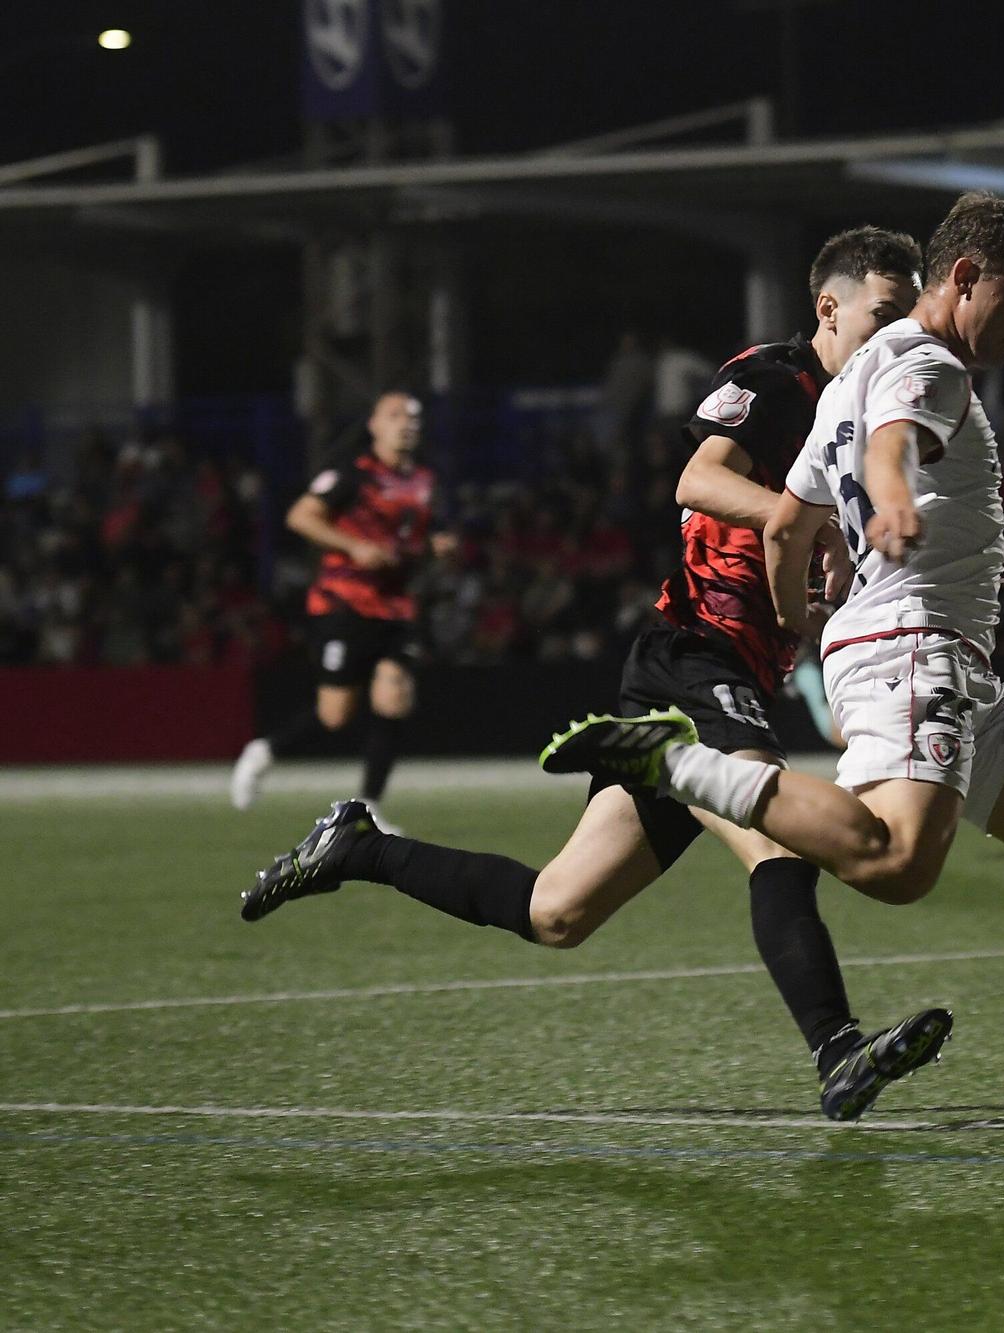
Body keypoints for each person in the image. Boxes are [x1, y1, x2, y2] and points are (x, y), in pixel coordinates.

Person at [541, 192, 1004, 1137]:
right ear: (965, 277)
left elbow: (785, 522)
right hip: (916, 647)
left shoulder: (852, 377)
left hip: (932, 653)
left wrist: (801, 620)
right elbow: (895, 442)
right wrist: (890, 497)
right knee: (894, 863)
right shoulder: (927, 363)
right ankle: (676, 761)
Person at [242, 227, 949, 1123]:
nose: (893, 336)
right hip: (694, 653)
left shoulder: (867, 403)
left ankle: (358, 845)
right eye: (881, 314)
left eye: (904, 320)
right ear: (827, 307)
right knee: (774, 840)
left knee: (557, 910)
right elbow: (697, 480)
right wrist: (804, 524)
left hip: (730, 668)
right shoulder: (776, 381)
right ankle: (839, 1051)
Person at [230, 392, 450, 832]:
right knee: (335, 714)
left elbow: (420, 538)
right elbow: (301, 517)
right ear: (374, 425)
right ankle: (264, 751)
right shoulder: (352, 475)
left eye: (412, 417)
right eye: (394, 416)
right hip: (344, 601)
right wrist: (354, 547)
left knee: (394, 695)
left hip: (396, 604)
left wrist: (436, 547)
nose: (406, 423)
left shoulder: (424, 480)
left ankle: (367, 809)